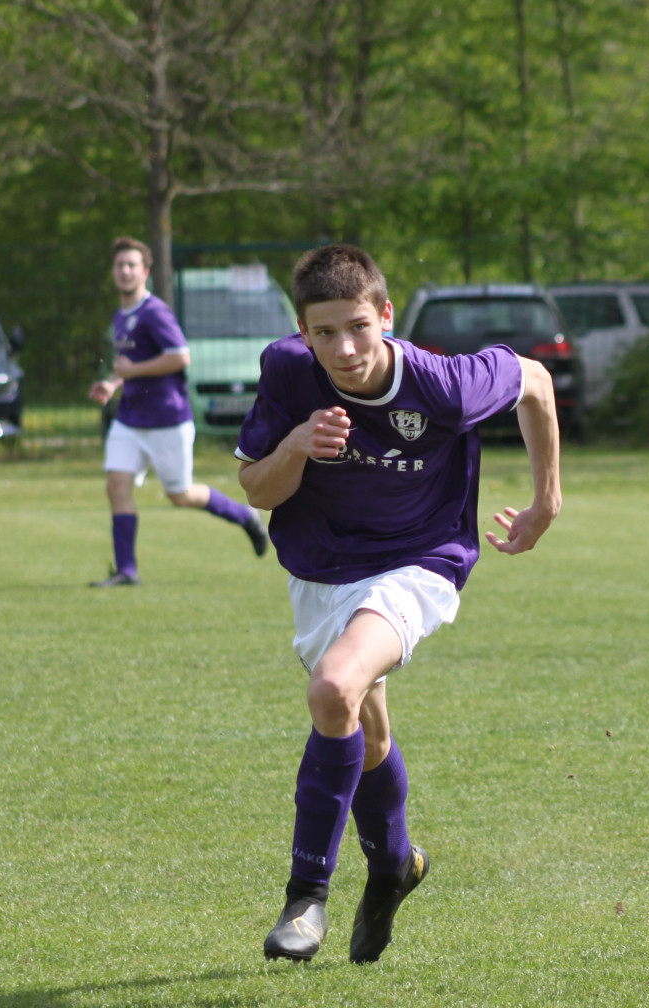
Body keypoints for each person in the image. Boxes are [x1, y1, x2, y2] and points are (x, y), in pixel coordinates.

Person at [236, 244, 560, 964]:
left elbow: (535, 381)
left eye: (358, 326)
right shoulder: (287, 372)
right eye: (324, 333)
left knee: (334, 687)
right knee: (365, 733)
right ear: (302, 331)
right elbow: (258, 490)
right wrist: (295, 445)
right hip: (323, 571)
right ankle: (394, 865)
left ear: (386, 313)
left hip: (420, 562)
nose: (344, 349)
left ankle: (305, 896)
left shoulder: (445, 385)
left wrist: (547, 499)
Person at [87, 236, 269, 586]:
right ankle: (126, 570)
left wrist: (130, 372)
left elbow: (180, 356)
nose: (124, 271)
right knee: (116, 484)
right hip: (129, 419)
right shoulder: (121, 316)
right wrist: (112, 383)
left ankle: (245, 517)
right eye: (119, 265)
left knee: (180, 494)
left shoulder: (154, 312)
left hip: (167, 420)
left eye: (131, 265)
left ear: (145, 272)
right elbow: (127, 364)